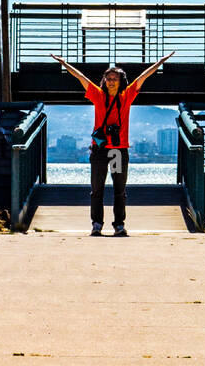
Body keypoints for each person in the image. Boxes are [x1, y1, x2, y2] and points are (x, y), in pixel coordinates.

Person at [50, 52, 174, 236]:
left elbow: (143, 77)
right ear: (104, 81)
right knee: (97, 190)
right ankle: (97, 224)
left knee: (119, 190)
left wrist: (160, 62)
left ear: (121, 81)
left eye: (114, 78)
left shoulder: (127, 96)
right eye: (108, 78)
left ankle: (119, 225)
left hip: (118, 150)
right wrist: (64, 63)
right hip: (100, 149)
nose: (111, 81)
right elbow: (81, 77)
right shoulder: (98, 95)